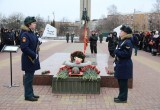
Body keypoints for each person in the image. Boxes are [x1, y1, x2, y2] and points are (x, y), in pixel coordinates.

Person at [20, 16, 41, 101]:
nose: (35, 24)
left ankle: (31, 93)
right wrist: (33, 55)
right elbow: (24, 48)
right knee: (28, 78)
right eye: (34, 23)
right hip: (28, 59)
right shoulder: (25, 34)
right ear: (29, 24)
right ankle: (28, 95)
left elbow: (34, 42)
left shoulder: (31, 33)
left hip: (32, 58)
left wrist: (38, 42)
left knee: (30, 78)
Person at [114, 25, 133, 103]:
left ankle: (123, 99)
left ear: (126, 33)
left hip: (125, 65)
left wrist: (116, 51)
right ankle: (120, 96)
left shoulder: (128, 41)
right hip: (121, 64)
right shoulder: (123, 40)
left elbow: (127, 54)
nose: (120, 32)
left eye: (121, 31)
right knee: (121, 82)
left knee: (123, 83)